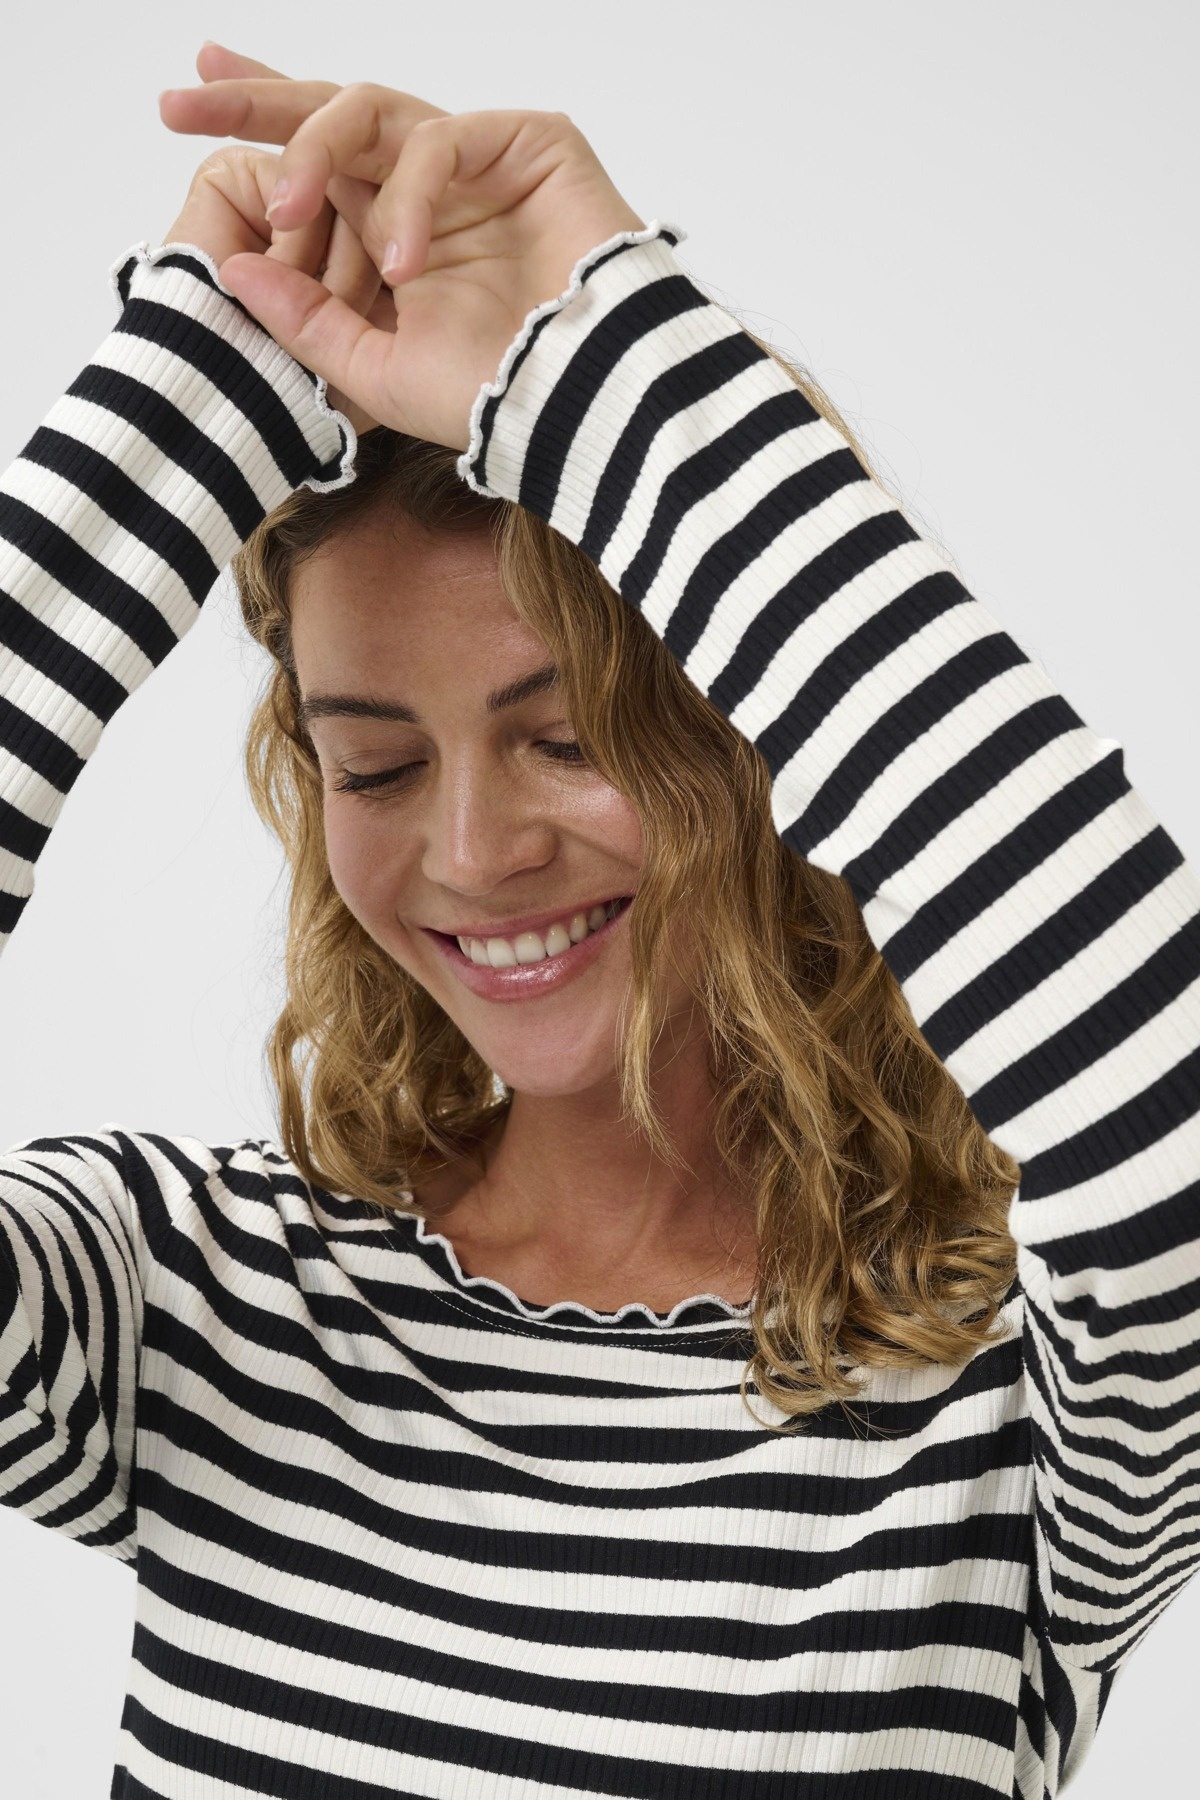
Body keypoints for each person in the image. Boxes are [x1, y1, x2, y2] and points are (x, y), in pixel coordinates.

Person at [1, 37, 1197, 1799]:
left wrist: (616, 366)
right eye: (377, 767)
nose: (473, 852)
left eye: (568, 740)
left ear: (767, 740)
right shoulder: (193, 1292)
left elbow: (1167, 1130)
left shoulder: (1009, 1400)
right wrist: (187, 406)